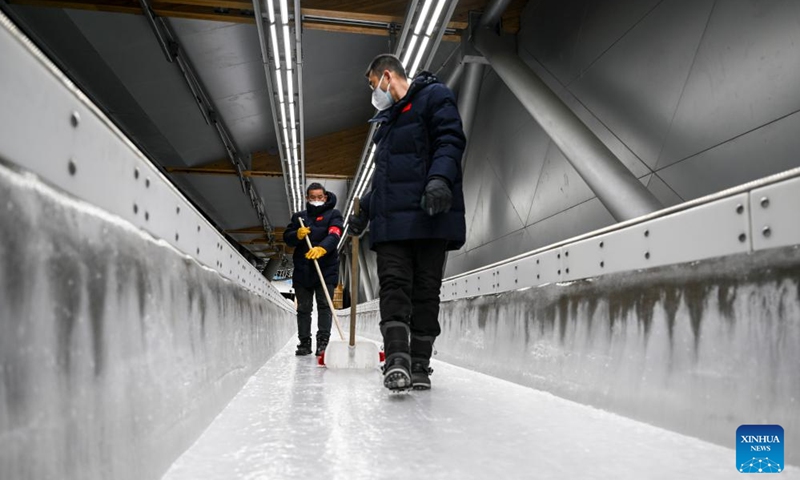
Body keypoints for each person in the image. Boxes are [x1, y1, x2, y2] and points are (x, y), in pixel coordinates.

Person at [348, 54, 466, 391]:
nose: (374, 92)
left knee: (426, 291)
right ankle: (397, 359)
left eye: (374, 85)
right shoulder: (386, 124)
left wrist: (440, 179)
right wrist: (364, 212)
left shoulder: (435, 96)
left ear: (387, 76)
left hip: (430, 215)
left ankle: (420, 364)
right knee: (394, 285)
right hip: (392, 222)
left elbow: (449, 139)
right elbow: (384, 180)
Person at [284, 183, 343, 356]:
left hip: (326, 268)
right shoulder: (299, 218)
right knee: (303, 308)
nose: (316, 200)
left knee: (325, 306)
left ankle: (323, 342)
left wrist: (322, 248)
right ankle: (304, 342)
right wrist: (296, 235)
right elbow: (287, 238)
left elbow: (335, 234)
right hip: (303, 269)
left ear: (325, 197)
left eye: (320, 197)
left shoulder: (334, 214)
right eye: (313, 197)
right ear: (307, 198)